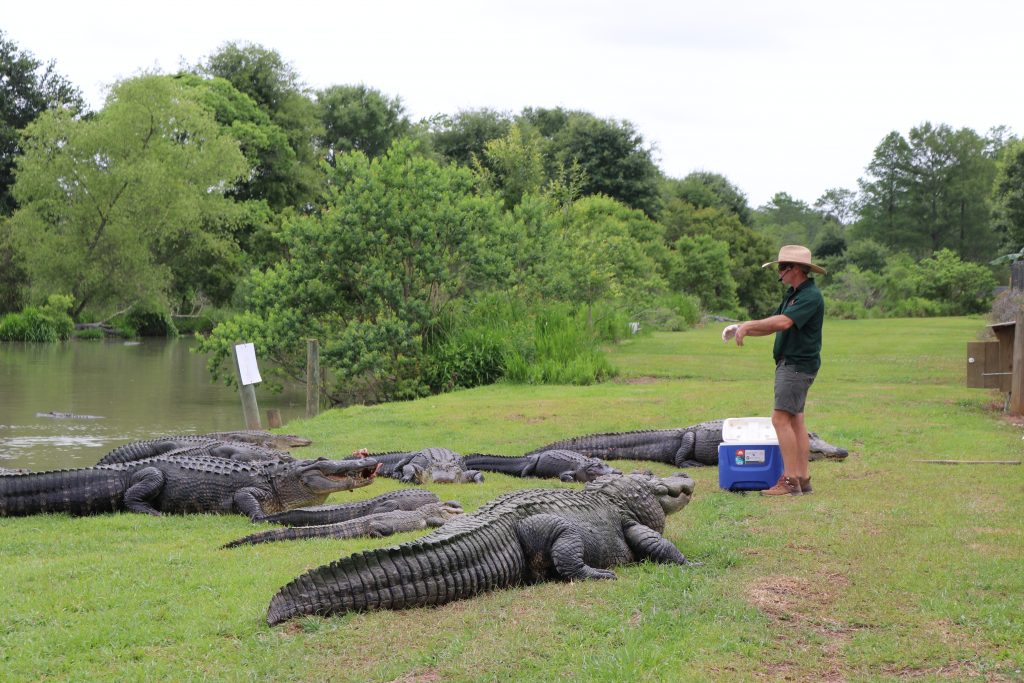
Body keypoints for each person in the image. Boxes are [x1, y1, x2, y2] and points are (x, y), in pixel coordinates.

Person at [722, 245, 825, 496]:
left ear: (796, 269)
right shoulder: (794, 294)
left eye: (782, 267)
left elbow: (784, 322)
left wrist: (749, 325)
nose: (779, 272)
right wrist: (742, 328)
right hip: (795, 364)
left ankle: (790, 481)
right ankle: (802, 478)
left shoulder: (810, 296)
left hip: (796, 365)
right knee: (796, 420)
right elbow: (772, 325)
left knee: (780, 419)